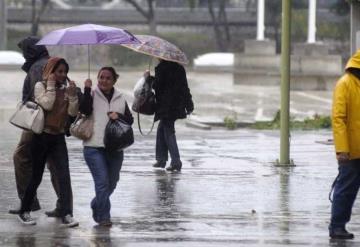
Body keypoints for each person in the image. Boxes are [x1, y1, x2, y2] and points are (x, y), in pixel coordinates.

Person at [9, 36, 73, 217]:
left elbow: (43, 99)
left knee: (21, 157)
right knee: (56, 167)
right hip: (52, 126)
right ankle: (64, 207)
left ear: (30, 51)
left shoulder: (38, 67)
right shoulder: (47, 63)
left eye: (24, 52)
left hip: (39, 124)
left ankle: (28, 203)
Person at [17, 57, 79, 227]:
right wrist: (51, 86)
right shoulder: (40, 86)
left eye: (65, 72)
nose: (62, 75)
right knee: (36, 176)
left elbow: (73, 113)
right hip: (41, 137)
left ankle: (67, 213)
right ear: (51, 71)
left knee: (64, 176)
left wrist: (73, 96)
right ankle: (24, 211)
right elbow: (47, 105)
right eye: (59, 71)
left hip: (58, 138)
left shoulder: (67, 90)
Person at [79, 67, 133, 226]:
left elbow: (129, 121)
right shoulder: (91, 94)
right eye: (101, 77)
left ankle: (97, 203)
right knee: (102, 182)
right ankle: (104, 217)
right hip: (93, 146)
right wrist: (87, 89)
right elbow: (84, 110)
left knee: (112, 182)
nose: (104, 80)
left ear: (114, 80)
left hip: (115, 148)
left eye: (108, 78)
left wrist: (119, 116)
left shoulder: (120, 98)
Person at [330, 50, 360, 239]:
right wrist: (342, 149)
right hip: (350, 152)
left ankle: (338, 226)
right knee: (346, 190)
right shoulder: (345, 84)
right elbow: (338, 118)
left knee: (346, 189)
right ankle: (337, 227)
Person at [144, 59, 194, 172]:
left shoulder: (162, 68)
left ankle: (176, 161)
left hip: (166, 106)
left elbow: (157, 86)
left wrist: (148, 77)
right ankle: (161, 159)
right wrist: (189, 104)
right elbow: (185, 88)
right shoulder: (180, 68)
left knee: (168, 131)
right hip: (177, 105)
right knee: (162, 128)